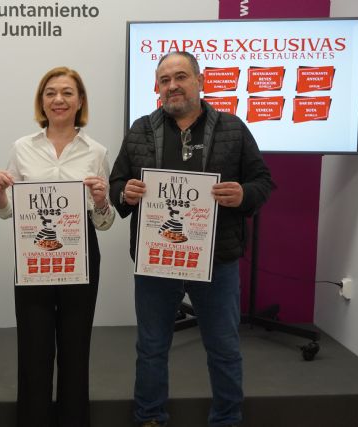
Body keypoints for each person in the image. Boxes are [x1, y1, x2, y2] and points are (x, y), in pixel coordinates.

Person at [109, 51, 273, 427]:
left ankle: (227, 418)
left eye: (180, 77)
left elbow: (263, 181)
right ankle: (150, 417)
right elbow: (117, 183)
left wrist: (244, 194)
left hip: (217, 259)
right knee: (151, 346)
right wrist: (125, 192)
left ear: (200, 81)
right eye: (165, 80)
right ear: (157, 88)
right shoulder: (140, 129)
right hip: (156, 259)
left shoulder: (232, 128)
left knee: (223, 346)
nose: (173, 86)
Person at [0, 66, 115, 427]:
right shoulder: (22, 148)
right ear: (41, 101)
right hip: (33, 253)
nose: (58, 99)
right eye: (50, 93)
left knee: (76, 347)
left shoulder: (96, 151)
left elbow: (104, 221)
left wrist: (102, 201)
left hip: (81, 252)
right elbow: (7, 212)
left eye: (67, 92)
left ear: (80, 101)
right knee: (34, 347)